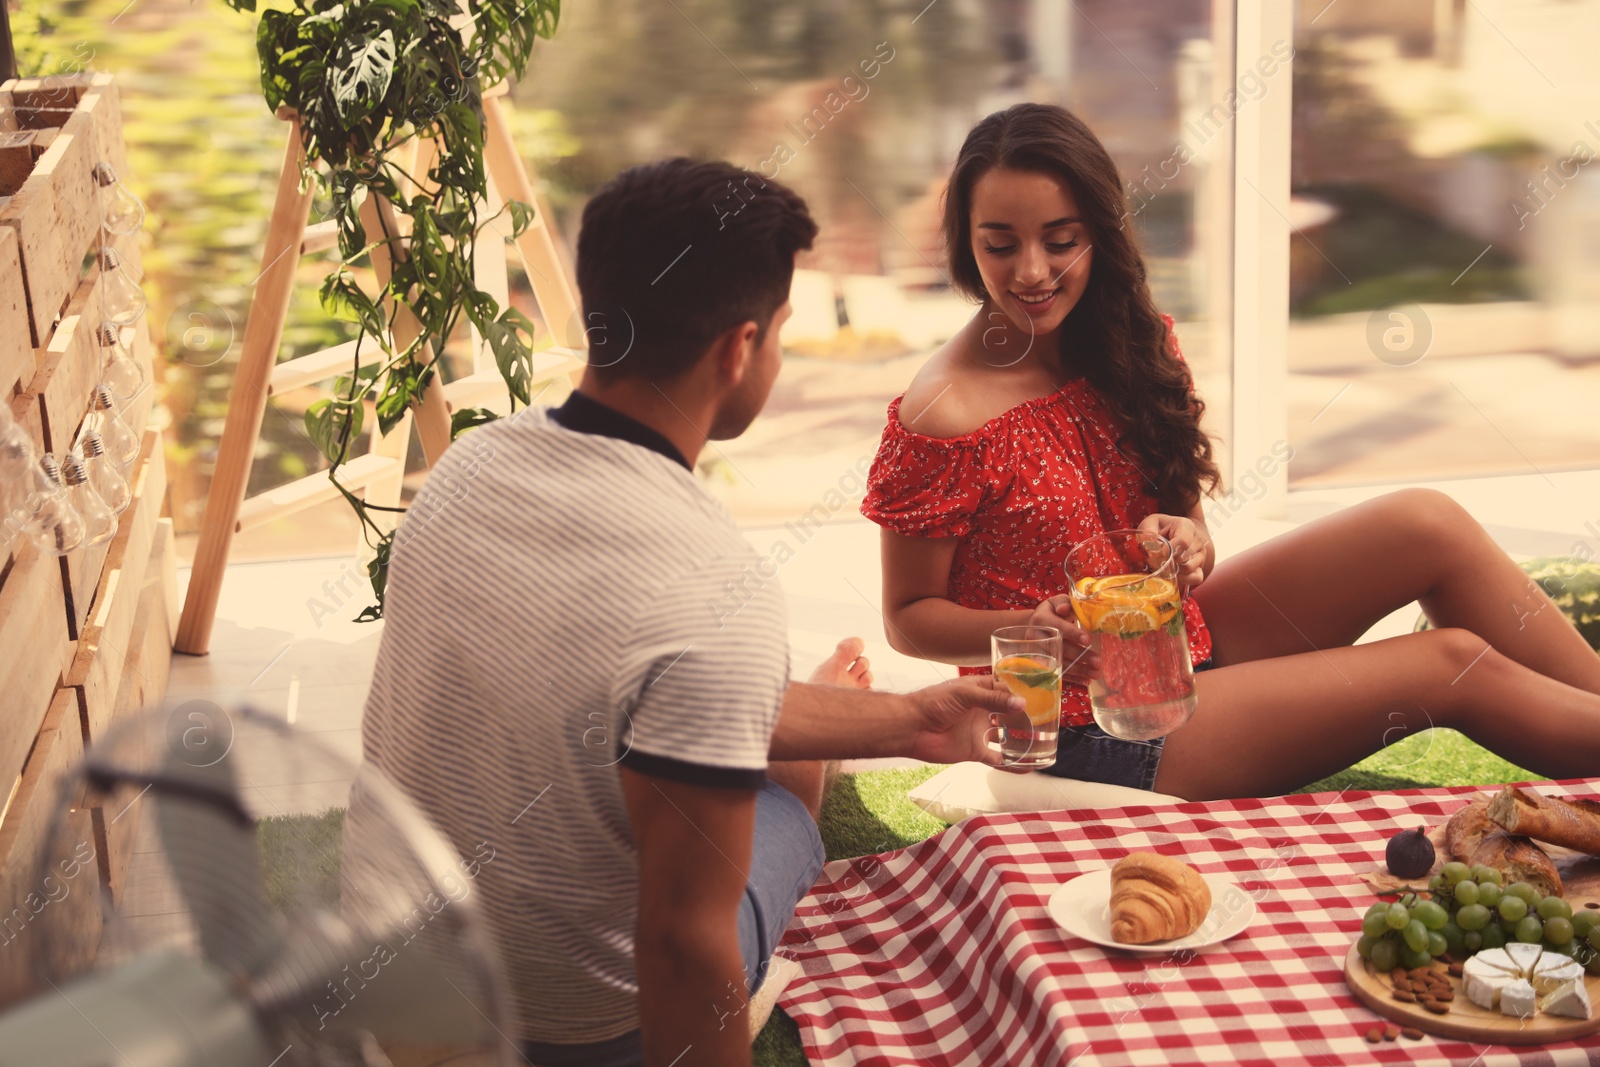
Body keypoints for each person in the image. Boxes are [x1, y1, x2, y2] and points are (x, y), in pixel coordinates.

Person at [358, 157, 1025, 1067]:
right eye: (781, 334)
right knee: (784, 808)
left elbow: (624, 683)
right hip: (569, 1034)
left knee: (695, 708)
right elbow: (680, 948)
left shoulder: (466, 470)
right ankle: (802, 770)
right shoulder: (711, 587)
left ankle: (817, 720)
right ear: (737, 350)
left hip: (394, 984)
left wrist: (910, 719)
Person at [862, 102, 1600, 802]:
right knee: (1450, 664)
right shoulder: (944, 413)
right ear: (966, 240)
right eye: (1000, 243)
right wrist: (1028, 627)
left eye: (1061, 240)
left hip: (1185, 645)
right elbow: (907, 616)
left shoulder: (1128, 341)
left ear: (1100, 234)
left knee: (1426, 521)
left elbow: (1194, 537)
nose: (1030, 271)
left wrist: (1189, 543)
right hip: (1087, 726)